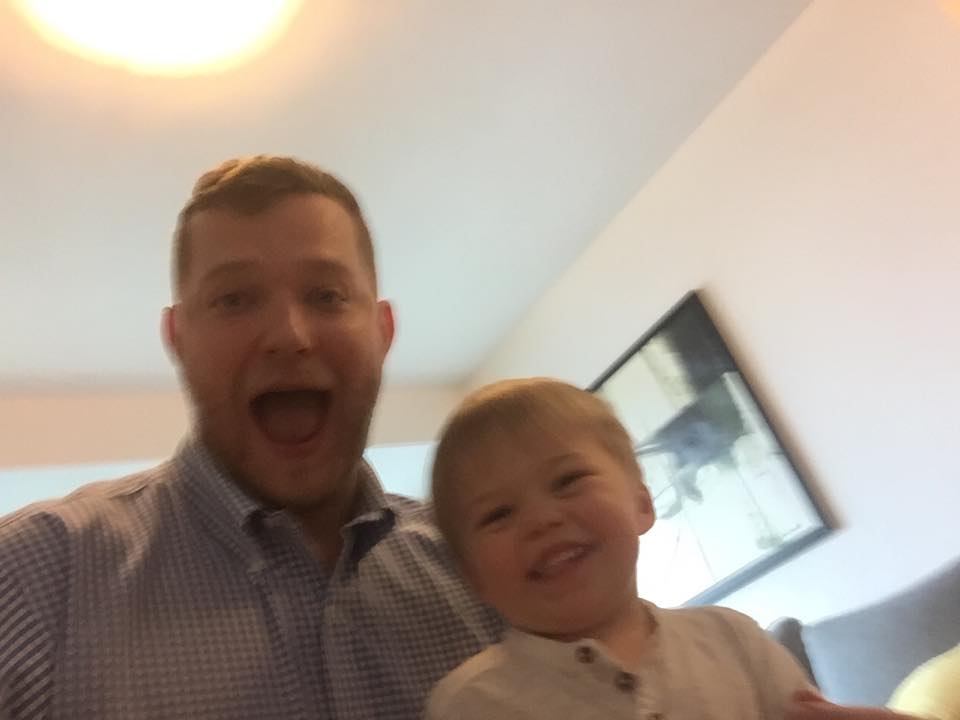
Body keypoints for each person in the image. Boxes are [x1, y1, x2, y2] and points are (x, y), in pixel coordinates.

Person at [0, 156, 501, 719]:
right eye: (234, 299)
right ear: (178, 338)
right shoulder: (32, 582)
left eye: (326, 295)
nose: (289, 336)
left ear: (382, 330)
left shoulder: (493, 568)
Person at [425, 377, 817, 720]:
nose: (541, 519)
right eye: (498, 514)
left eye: (568, 480)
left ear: (642, 504)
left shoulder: (732, 639)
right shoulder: (469, 703)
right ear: (471, 575)